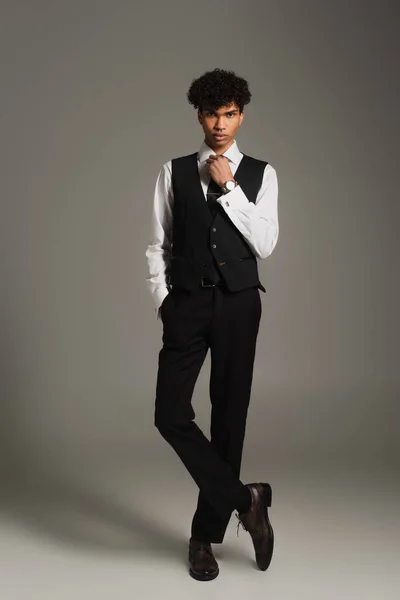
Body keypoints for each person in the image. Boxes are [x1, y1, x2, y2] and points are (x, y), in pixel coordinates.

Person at [145, 68, 279, 581]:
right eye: (210, 113)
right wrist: (164, 301)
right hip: (187, 305)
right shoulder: (173, 170)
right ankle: (247, 499)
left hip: (240, 305)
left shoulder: (262, 174)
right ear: (198, 115)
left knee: (229, 418)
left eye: (229, 114)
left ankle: (204, 538)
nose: (219, 124)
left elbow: (264, 244)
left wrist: (229, 190)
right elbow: (156, 242)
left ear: (241, 115)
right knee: (170, 413)